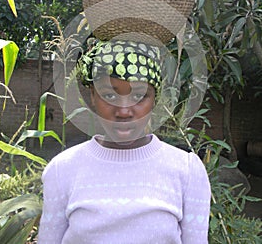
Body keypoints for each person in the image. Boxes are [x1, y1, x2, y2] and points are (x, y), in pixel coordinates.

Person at [38, 38, 211, 244]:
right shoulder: (62, 170)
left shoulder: (187, 172)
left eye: (139, 96)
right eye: (109, 96)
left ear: (154, 98)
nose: (124, 111)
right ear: (93, 96)